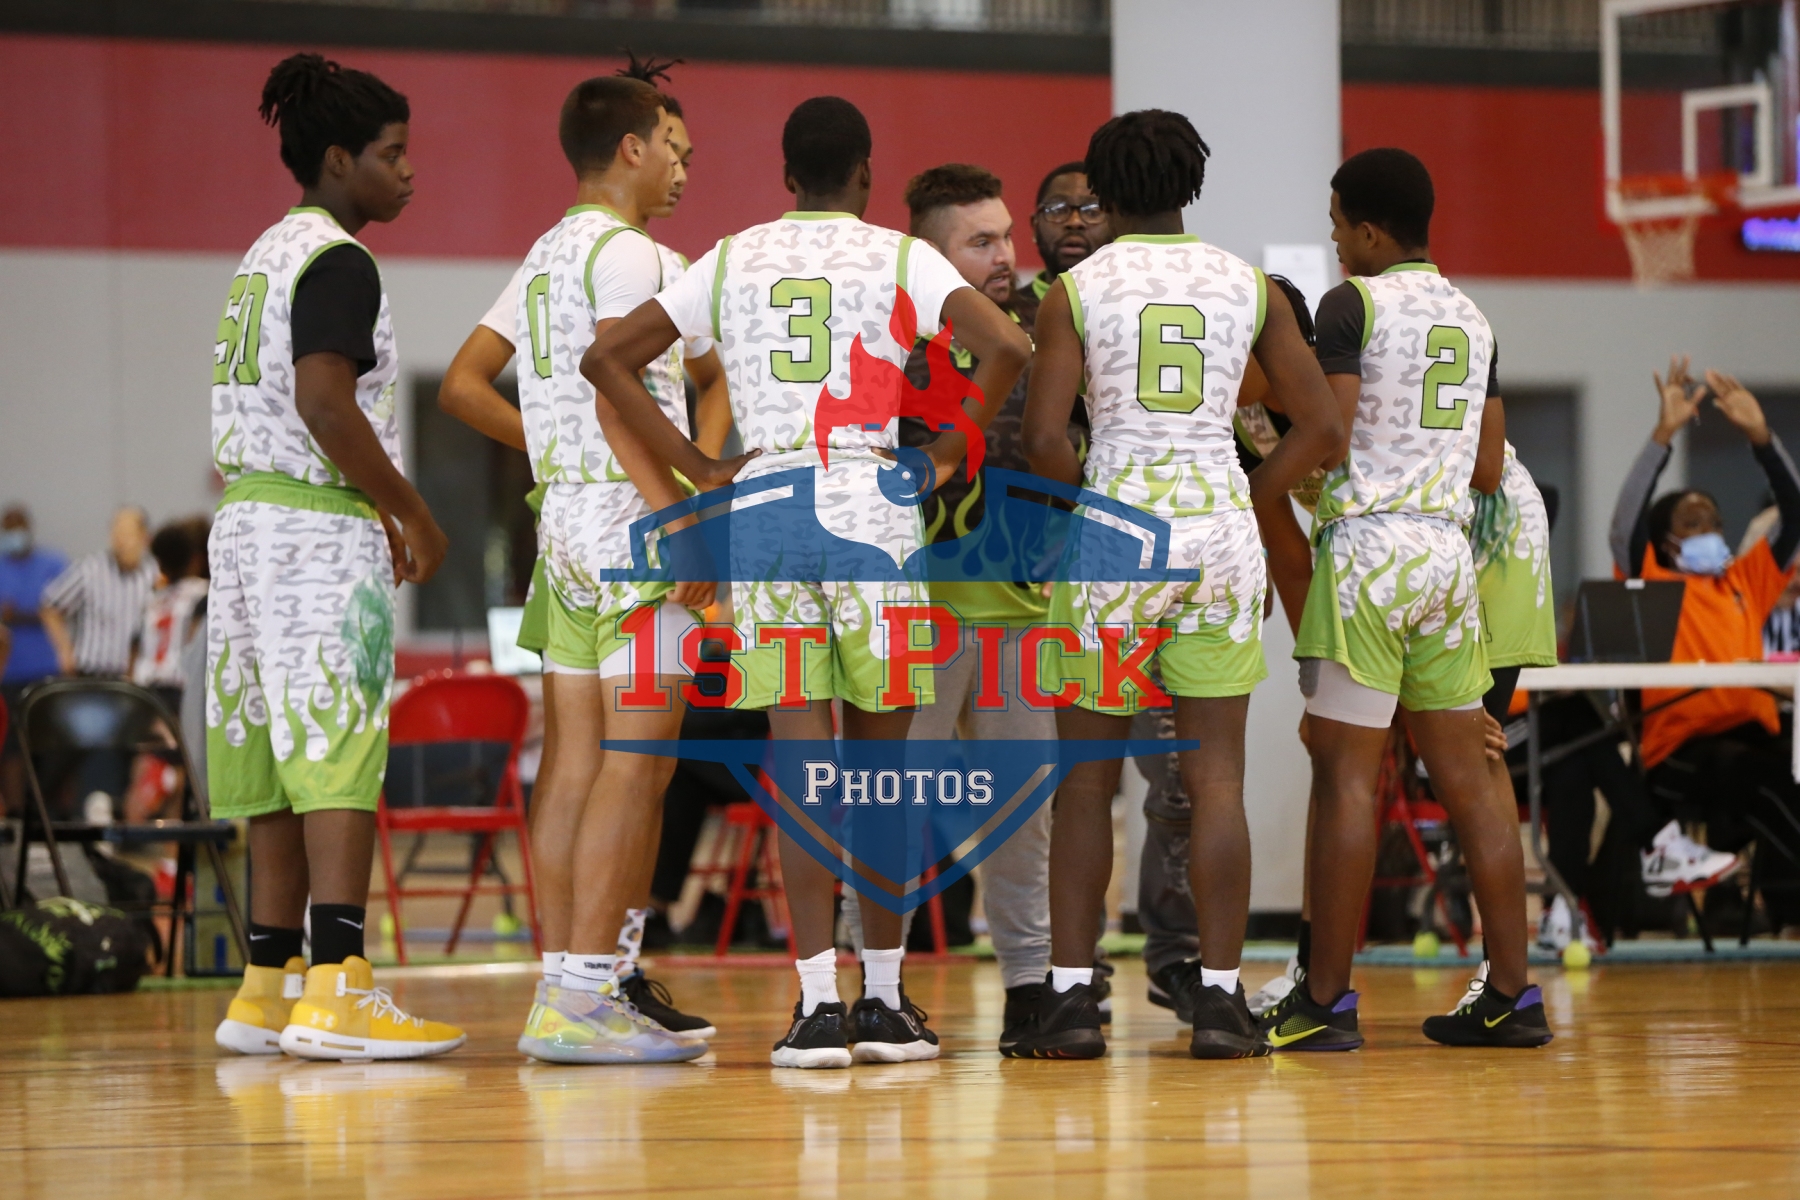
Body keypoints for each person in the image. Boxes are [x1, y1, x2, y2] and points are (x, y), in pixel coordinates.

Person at [588, 95, 1030, 1067]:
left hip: (772, 510)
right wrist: (948, 450)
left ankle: (815, 1009)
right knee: (881, 772)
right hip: (874, 508)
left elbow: (607, 359)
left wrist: (701, 469)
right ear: (866, 173)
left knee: (802, 767)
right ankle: (885, 1002)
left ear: (787, 175)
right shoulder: (900, 256)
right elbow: (1008, 345)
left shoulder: (731, 257)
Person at [1013, 110, 1341, 1061]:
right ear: (1190, 184)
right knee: (1217, 781)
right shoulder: (1249, 286)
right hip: (1218, 539)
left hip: (1116, 535)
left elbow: (1043, 439)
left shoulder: (1075, 290)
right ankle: (1224, 1002)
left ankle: (1070, 1004)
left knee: (1086, 784)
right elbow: (1321, 425)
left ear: (1104, 192)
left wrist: (1088, 505)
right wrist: (1249, 494)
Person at [439, 57, 724, 1051]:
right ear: (632, 148)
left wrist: (552, 446)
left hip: (560, 523)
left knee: (570, 766)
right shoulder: (636, 255)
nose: (684, 169)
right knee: (638, 763)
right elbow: (616, 393)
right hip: (634, 520)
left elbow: (463, 386)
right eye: (674, 150)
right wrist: (682, 510)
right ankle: (590, 997)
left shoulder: (548, 251)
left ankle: (564, 987)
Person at [1265, 147, 1551, 1050]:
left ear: (1368, 231)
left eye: (1337, 225)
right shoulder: (1472, 316)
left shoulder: (1353, 303)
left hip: (1370, 554)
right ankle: (1512, 995)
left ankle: (1324, 1002)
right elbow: (1488, 467)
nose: (1334, 241)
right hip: (1447, 557)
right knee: (1473, 782)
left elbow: (1332, 433)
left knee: (1346, 778)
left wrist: (1270, 480)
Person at [209, 53, 459, 1061]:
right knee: (340, 753)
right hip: (312, 531)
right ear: (340, 159)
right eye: (393, 154)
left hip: (244, 528)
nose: (409, 172)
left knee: (275, 761)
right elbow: (324, 402)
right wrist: (414, 512)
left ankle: (266, 988)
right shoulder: (339, 260)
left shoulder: (261, 256)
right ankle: (341, 984)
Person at [830, 162, 1093, 1047]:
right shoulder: (888, 340)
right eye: (982, 242)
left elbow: (1073, 452)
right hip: (916, 617)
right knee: (891, 807)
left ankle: (1030, 992)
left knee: (1023, 818)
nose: (1006, 256)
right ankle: (877, 988)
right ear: (933, 257)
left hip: (1021, 613)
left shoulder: (1043, 334)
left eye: (1007, 236)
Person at [1609, 357, 1800, 929]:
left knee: (1774, 774)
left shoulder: (1745, 581)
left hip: (1754, 738)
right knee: (1765, 784)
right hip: (1681, 752)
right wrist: (1662, 436)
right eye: (1693, 524)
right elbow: (1624, 525)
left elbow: (1795, 515)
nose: (1709, 532)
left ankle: (1773, 906)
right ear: (1665, 542)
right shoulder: (1650, 579)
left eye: (1714, 522)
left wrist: (1762, 439)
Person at [1, 505, 67, 811]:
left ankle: (55, 812)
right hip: (9, 674)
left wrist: (22, 614)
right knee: (11, 748)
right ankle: (17, 814)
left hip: (47, 670)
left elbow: (59, 607)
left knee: (55, 746)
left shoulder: (53, 564)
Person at [41, 506, 155, 678]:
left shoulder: (154, 574)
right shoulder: (90, 569)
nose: (120, 542)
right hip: (92, 673)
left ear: (144, 538)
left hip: (137, 676)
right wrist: (64, 650)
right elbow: (50, 606)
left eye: (127, 535)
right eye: (116, 533)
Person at [131, 523, 210, 714]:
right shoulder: (202, 593)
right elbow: (197, 644)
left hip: (145, 689)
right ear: (194, 559)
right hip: (180, 688)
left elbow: (134, 649)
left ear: (159, 563)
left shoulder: (151, 600)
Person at [1020, 161, 1112, 302]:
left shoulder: (1136, 306)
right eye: (1058, 209)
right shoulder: (1002, 312)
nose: (1074, 222)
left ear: (1116, 226)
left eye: (1092, 211)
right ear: (1035, 226)